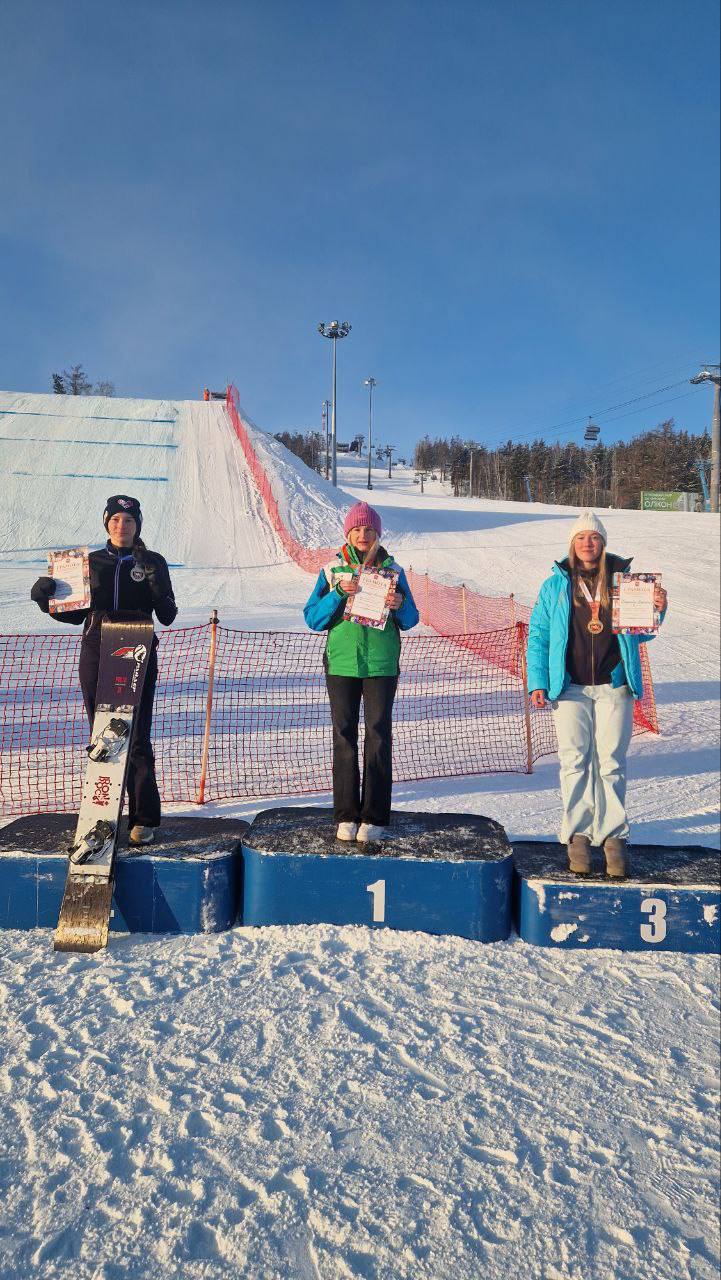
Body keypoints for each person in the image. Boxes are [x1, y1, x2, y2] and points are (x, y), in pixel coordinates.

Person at [527, 510, 668, 879]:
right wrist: (538, 681)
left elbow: (642, 632)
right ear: (572, 545)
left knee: (611, 762)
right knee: (574, 761)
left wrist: (657, 610)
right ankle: (577, 835)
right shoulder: (554, 585)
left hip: (614, 686)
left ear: (603, 543)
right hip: (569, 687)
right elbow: (538, 636)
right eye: (581, 538)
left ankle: (613, 838)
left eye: (594, 537)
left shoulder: (623, 582)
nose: (587, 543)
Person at [30, 495, 177, 847]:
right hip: (97, 650)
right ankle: (103, 814)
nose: (121, 526)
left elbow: (168, 614)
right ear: (106, 523)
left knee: (137, 734)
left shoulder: (152, 561)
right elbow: (73, 613)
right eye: (115, 520)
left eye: (128, 520)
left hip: (137, 649)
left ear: (137, 524)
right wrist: (45, 599)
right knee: (104, 736)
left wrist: (155, 583)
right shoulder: (89, 563)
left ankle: (143, 818)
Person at [304, 501, 419, 842]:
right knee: (344, 735)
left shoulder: (392, 570)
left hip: (381, 664)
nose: (363, 535)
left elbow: (411, 619)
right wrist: (338, 593)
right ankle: (345, 815)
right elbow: (313, 618)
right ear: (348, 533)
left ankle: (375, 816)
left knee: (379, 735)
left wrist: (400, 605)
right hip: (341, 663)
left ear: (378, 533)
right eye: (357, 529)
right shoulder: (332, 571)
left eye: (369, 529)